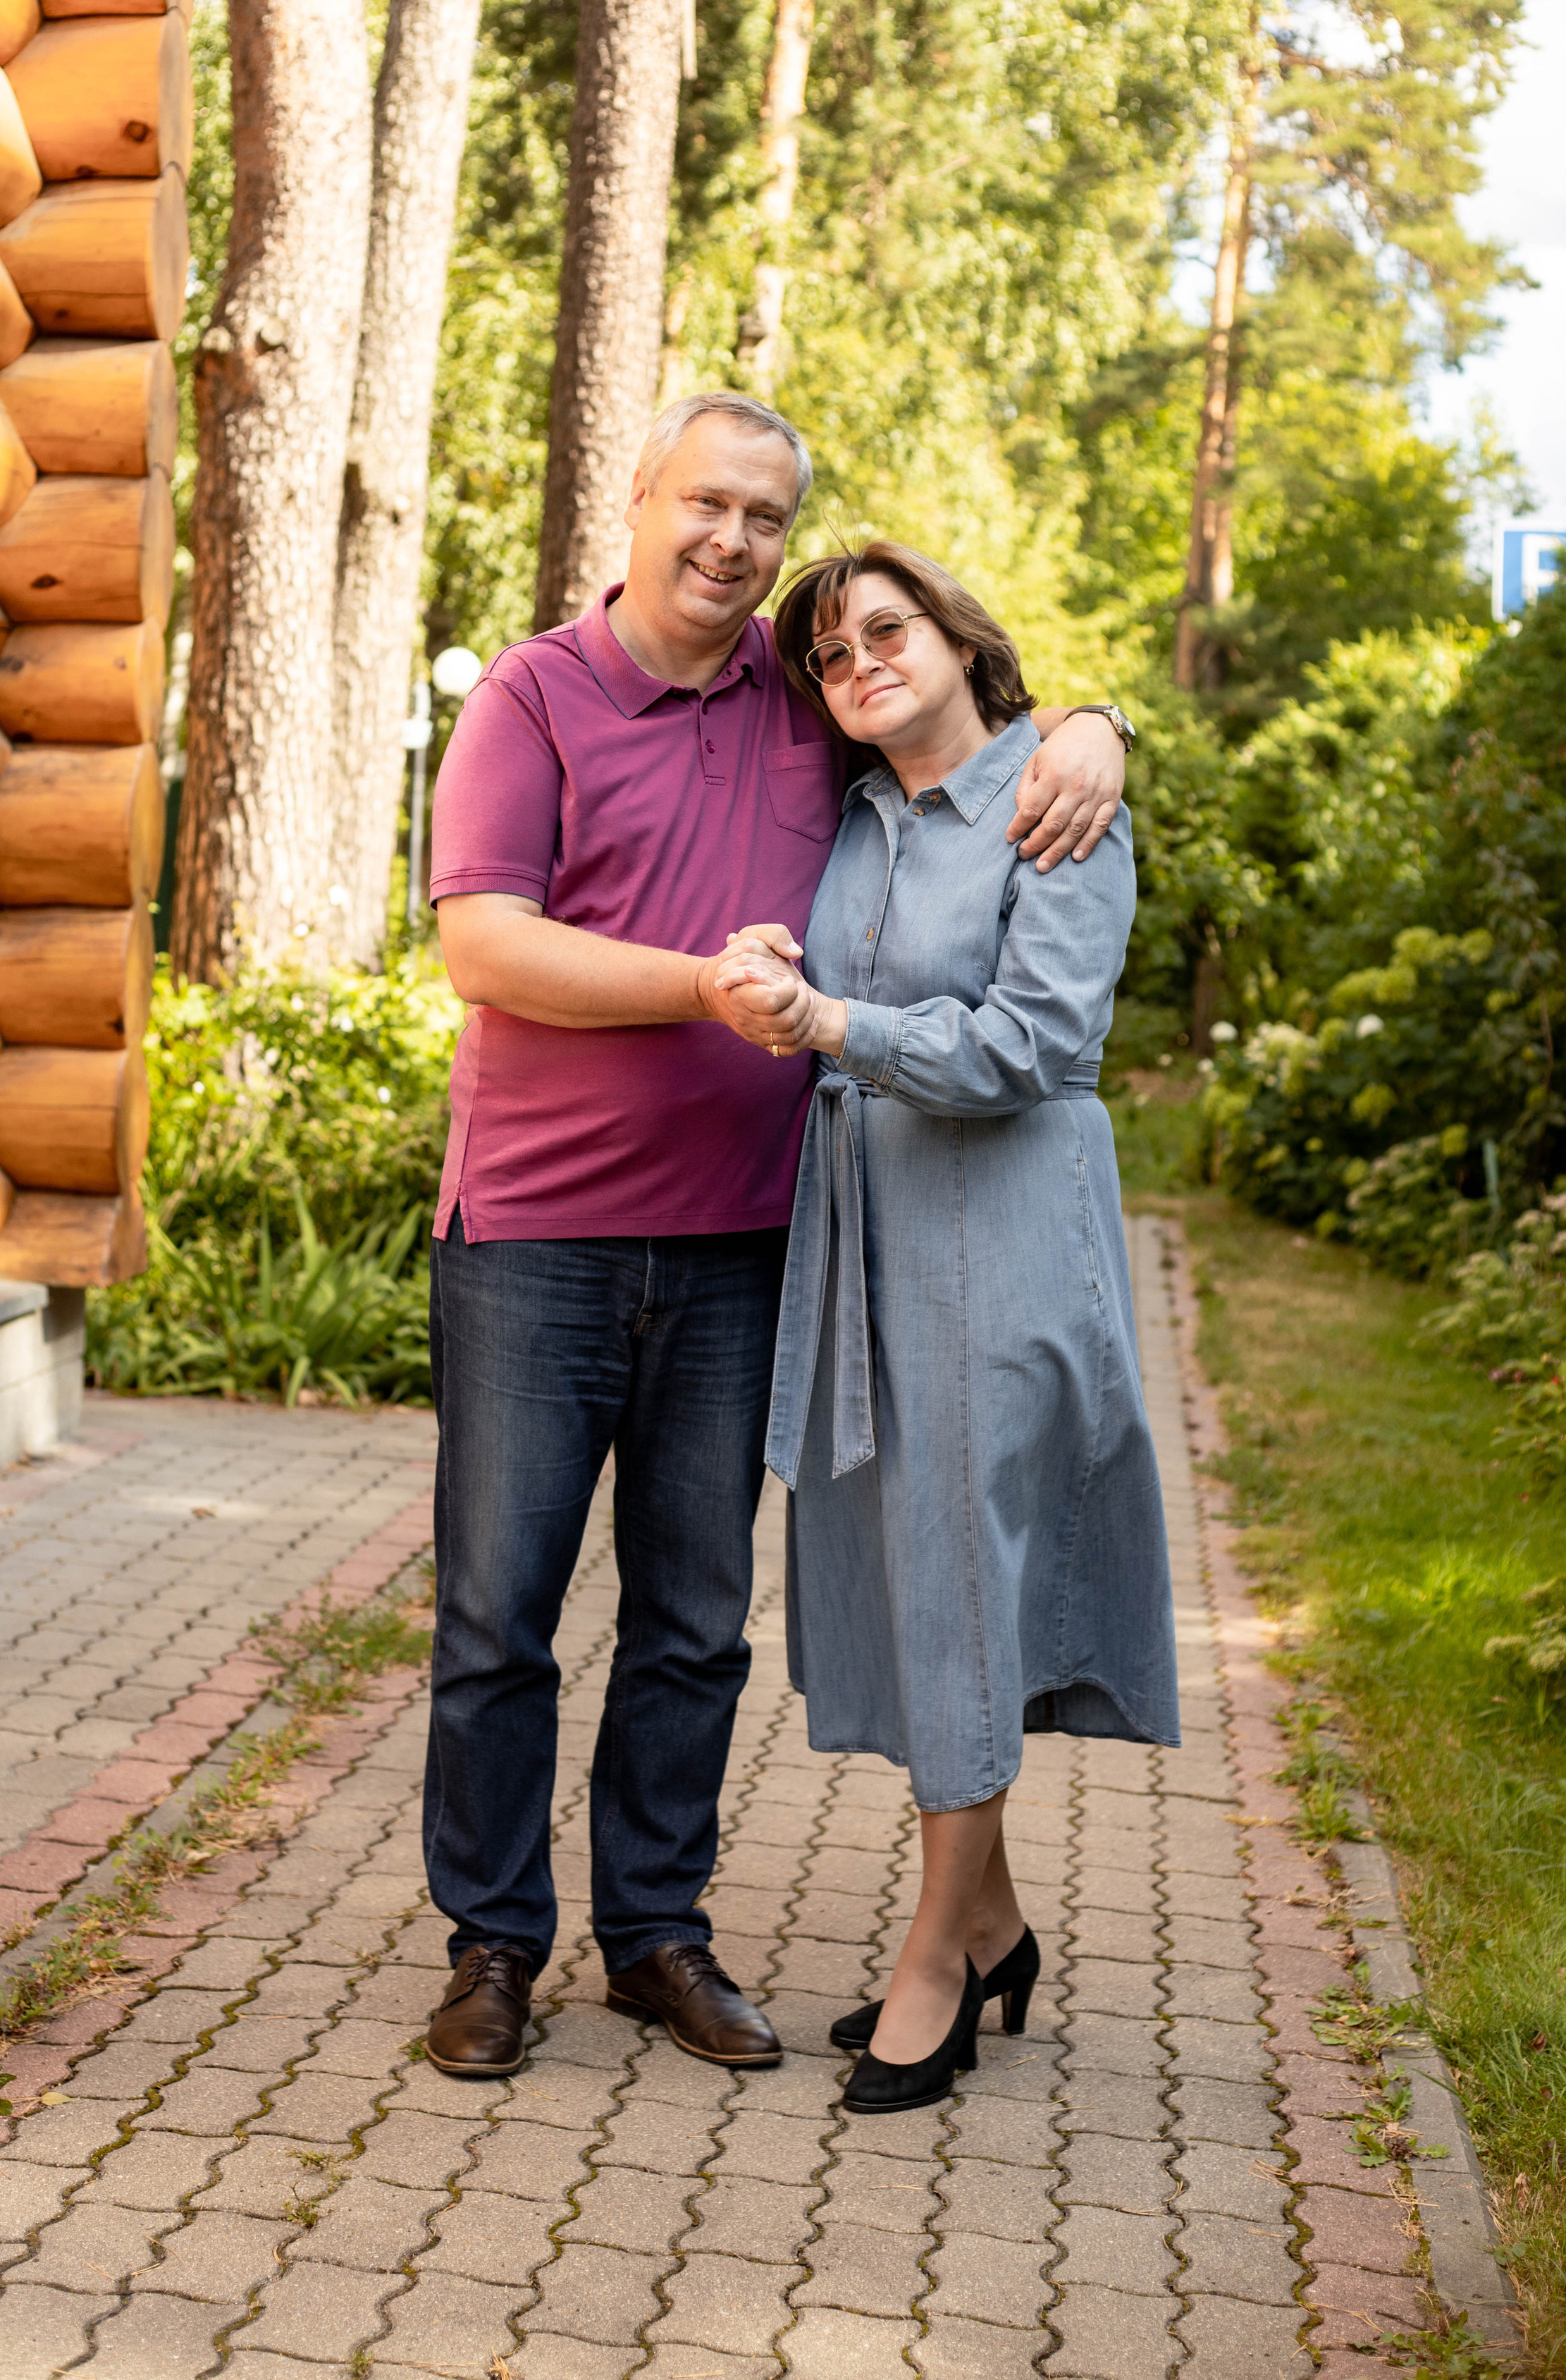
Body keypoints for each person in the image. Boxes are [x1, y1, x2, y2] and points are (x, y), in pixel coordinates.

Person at [419, 393, 1133, 2080]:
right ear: (639, 499)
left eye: (763, 517)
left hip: (748, 1241)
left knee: (692, 1620)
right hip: (535, 1235)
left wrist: (1096, 724)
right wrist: (705, 989)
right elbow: (483, 948)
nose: (731, 543)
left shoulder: (799, 693)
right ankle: (492, 1947)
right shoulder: (531, 695)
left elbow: (952, 709)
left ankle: (653, 1936)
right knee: (498, 1619)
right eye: (706, 504)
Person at [712, 540, 1177, 2115]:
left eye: (885, 632)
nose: (859, 668)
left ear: (960, 639)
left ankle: (936, 1966)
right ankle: (996, 1927)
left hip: (1005, 1236)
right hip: (866, 1240)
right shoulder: (852, 816)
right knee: (910, 1580)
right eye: (831, 657)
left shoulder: (1053, 799)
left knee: (967, 1585)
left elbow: (1035, 1042)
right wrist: (777, 973)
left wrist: (833, 1024)